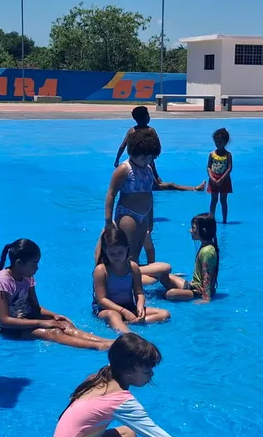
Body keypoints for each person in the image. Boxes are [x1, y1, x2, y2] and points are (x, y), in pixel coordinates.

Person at [46, 333, 223, 437]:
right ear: (129, 370)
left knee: (128, 434)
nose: (151, 375)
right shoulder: (120, 399)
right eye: (147, 371)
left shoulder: (105, 376)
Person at [0, 239, 113, 350]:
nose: (37, 268)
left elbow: (35, 308)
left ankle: (107, 341)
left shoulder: (27, 277)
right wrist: (41, 323)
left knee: (64, 325)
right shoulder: (2, 282)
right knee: (54, 333)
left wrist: (55, 316)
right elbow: (4, 320)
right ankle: (100, 346)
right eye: (34, 264)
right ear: (19, 263)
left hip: (25, 318)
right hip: (5, 327)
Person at [93, 228, 171, 334]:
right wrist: (123, 311)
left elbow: (139, 292)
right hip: (106, 310)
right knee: (113, 315)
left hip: (129, 306)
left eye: (120, 252)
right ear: (106, 252)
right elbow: (101, 300)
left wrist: (140, 307)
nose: (116, 256)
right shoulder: (101, 270)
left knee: (164, 314)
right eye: (112, 253)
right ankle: (129, 335)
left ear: (127, 249)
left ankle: (128, 323)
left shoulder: (133, 267)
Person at [104, 127, 160, 263]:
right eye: (142, 157)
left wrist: (150, 218)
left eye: (150, 157)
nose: (146, 160)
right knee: (129, 254)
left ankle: (136, 279)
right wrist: (108, 220)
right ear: (133, 152)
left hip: (144, 216)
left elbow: (149, 194)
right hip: (128, 215)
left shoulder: (148, 169)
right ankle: (127, 280)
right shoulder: (124, 169)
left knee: (137, 253)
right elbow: (111, 193)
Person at [158, 213, 219, 302]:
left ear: (203, 230)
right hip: (194, 285)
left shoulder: (207, 251)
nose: (190, 230)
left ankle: (188, 294)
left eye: (193, 228)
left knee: (170, 294)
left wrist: (206, 298)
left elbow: (207, 276)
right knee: (163, 276)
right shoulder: (206, 246)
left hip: (199, 291)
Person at [206, 128, 233, 224]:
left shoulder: (228, 155)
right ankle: (211, 218)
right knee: (213, 200)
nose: (217, 144)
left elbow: (229, 168)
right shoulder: (212, 154)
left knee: (223, 200)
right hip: (213, 179)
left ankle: (224, 220)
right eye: (216, 142)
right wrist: (211, 178)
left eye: (219, 142)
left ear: (225, 142)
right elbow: (208, 167)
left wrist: (222, 178)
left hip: (224, 180)